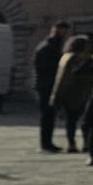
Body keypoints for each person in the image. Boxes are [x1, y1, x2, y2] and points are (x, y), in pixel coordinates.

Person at [33, 21, 73, 153]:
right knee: (47, 115)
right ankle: (45, 144)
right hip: (46, 86)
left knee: (50, 115)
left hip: (48, 85)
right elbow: (46, 68)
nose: (64, 34)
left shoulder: (53, 45)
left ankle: (48, 142)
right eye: (63, 30)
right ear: (56, 30)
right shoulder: (47, 47)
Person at [51, 35, 93, 154]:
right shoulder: (72, 58)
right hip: (74, 93)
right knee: (74, 120)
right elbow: (64, 78)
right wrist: (57, 96)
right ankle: (75, 144)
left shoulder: (81, 57)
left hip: (81, 93)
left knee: (82, 120)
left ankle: (84, 143)